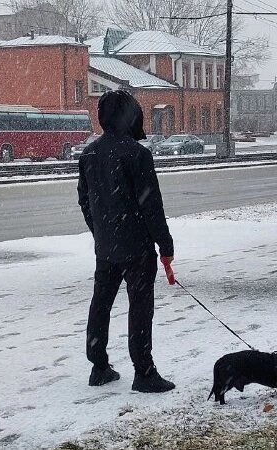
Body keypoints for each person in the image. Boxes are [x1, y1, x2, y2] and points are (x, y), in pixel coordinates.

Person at [77, 90, 176, 393]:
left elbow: (84, 201)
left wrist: (101, 233)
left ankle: (99, 366)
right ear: (130, 117)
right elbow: (151, 206)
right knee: (140, 307)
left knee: (101, 304)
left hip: (106, 246)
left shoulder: (89, 154)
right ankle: (143, 372)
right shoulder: (137, 154)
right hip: (137, 247)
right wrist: (165, 245)